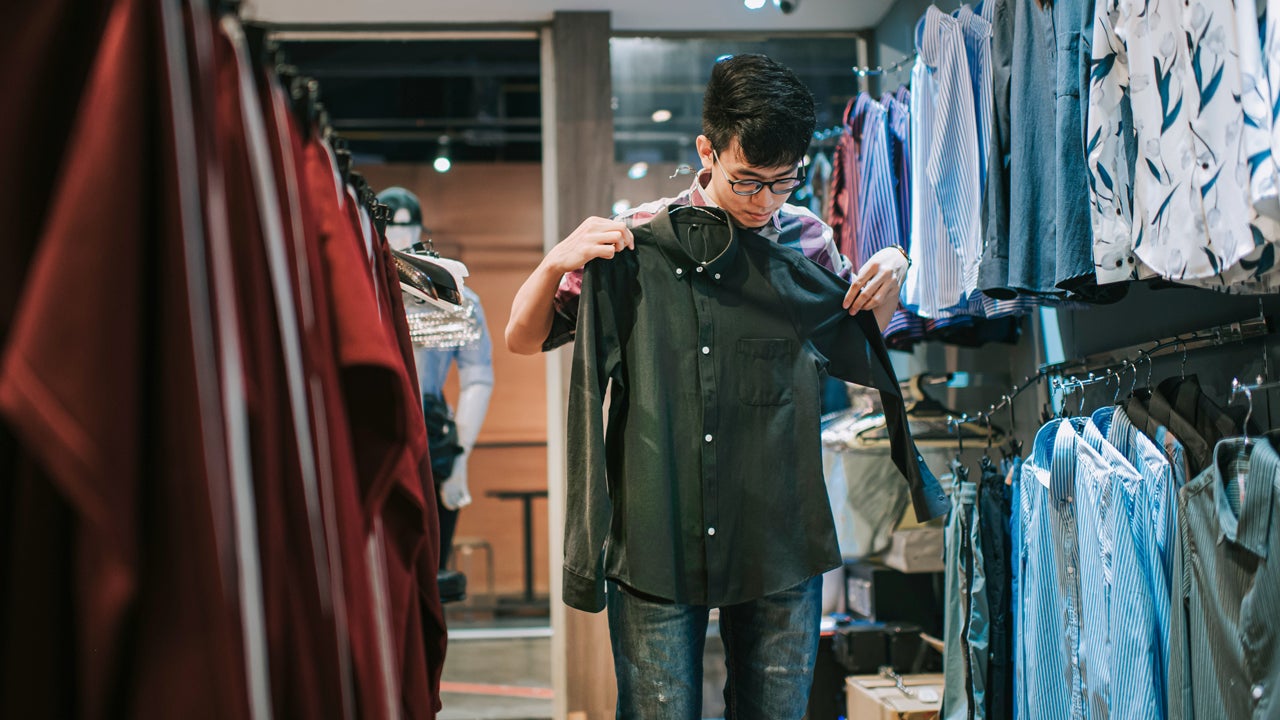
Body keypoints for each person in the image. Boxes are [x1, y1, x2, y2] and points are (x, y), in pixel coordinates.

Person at [505, 54, 914, 719]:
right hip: (657, 537)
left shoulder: (805, 241)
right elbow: (522, 339)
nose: (764, 203)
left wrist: (895, 269)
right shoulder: (633, 242)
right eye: (747, 180)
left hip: (776, 537)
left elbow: (862, 352)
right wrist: (555, 261)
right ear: (708, 150)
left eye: (783, 183)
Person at [379, 187, 494, 570]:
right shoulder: (364, 289)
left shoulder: (454, 295)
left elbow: (478, 376)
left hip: (433, 435)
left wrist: (460, 458)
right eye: (389, 227)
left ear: (420, 228)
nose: (398, 236)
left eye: (407, 226)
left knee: (431, 563)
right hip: (374, 428)